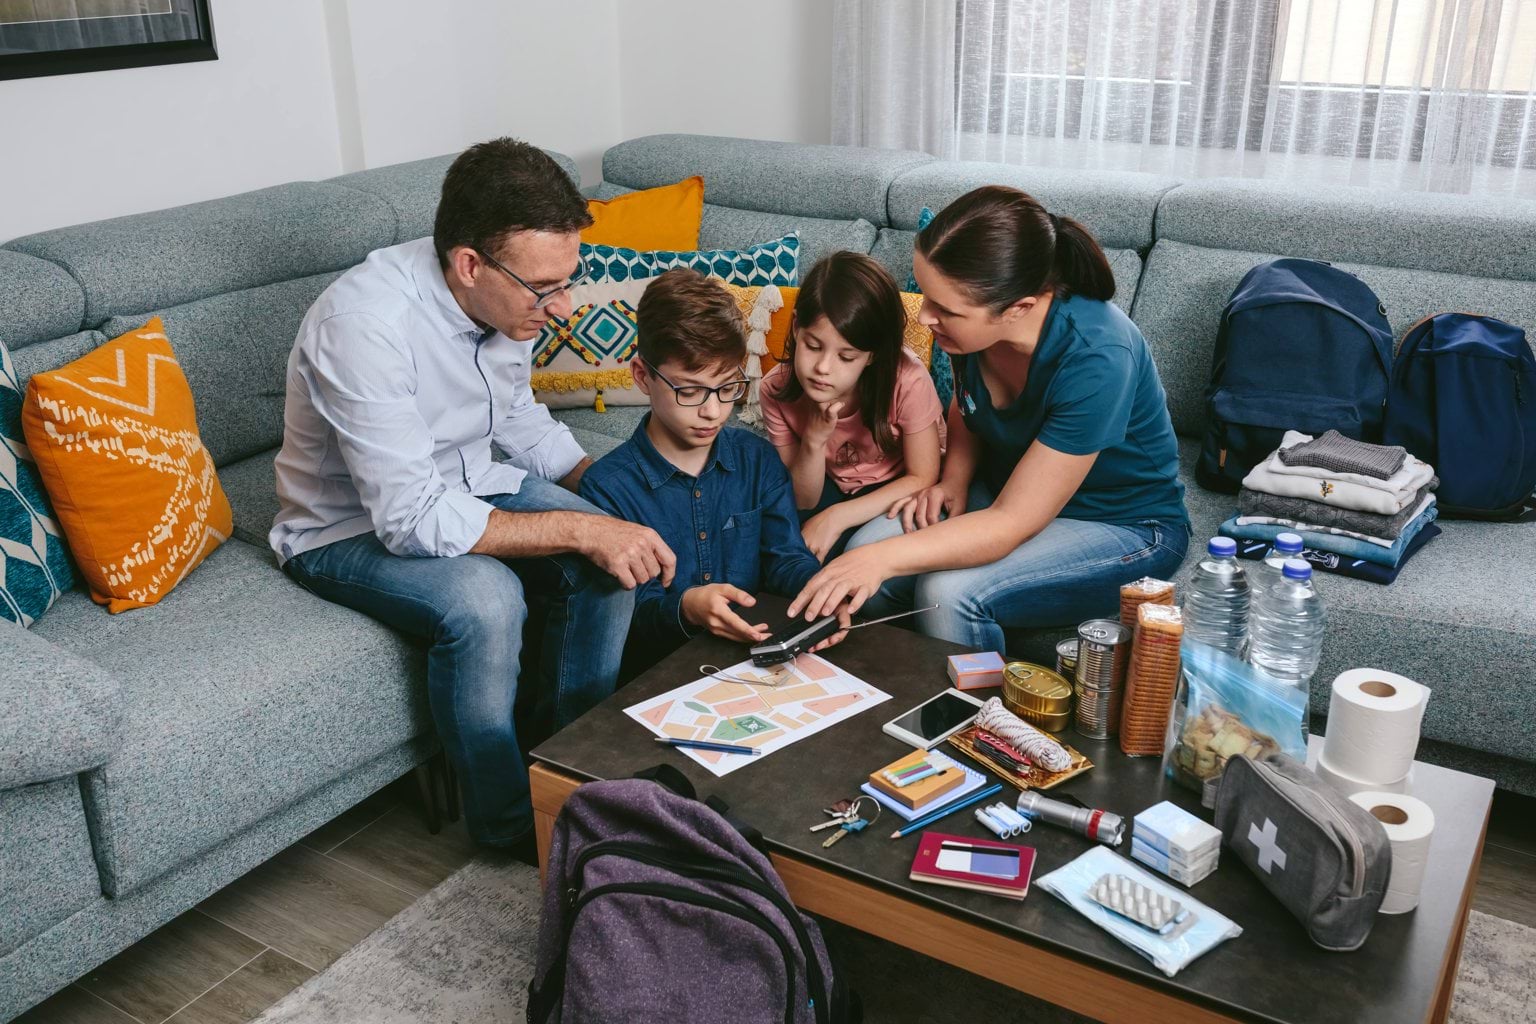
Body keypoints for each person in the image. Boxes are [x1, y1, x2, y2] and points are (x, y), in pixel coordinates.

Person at [269, 138, 675, 855]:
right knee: (488, 600)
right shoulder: (365, 326)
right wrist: (582, 532)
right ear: (469, 264)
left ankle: (568, 786)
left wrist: (612, 503)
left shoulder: (505, 301)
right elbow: (410, 517)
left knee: (614, 558)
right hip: (344, 530)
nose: (564, 306)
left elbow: (516, 418)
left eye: (567, 281)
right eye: (546, 289)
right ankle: (511, 830)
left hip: (466, 479)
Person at [789, 185, 1190, 652]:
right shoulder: (967, 333)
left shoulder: (1098, 356)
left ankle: (976, 721)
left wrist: (882, 559)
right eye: (928, 298)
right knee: (863, 552)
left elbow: (1010, 522)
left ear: (1017, 308)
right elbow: (967, 404)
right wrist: (954, 479)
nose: (926, 319)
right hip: (1004, 490)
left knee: (947, 594)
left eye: (945, 309)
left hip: (1125, 525)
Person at [579, 268, 846, 678]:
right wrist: (687, 606)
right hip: (656, 677)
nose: (713, 411)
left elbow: (785, 558)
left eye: (727, 388)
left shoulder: (756, 459)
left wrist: (822, 592)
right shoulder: (607, 489)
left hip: (752, 664)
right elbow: (624, 618)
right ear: (642, 377)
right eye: (689, 391)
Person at [760, 251, 943, 561]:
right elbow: (803, 499)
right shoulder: (775, 389)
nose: (823, 368)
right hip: (825, 484)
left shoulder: (907, 380)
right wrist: (814, 441)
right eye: (813, 346)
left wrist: (836, 517)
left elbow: (923, 476)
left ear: (871, 356)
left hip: (896, 484)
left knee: (852, 557)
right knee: (772, 545)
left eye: (846, 357)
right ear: (795, 328)